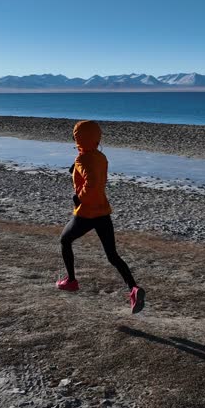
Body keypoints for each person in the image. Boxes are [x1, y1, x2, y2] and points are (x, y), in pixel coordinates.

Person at [57, 120, 145, 314]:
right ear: (97, 138)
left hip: (87, 213)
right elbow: (95, 173)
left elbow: (93, 182)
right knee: (112, 256)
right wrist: (75, 169)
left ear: (77, 137)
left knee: (65, 240)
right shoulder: (100, 157)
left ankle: (71, 281)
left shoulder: (83, 160)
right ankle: (134, 289)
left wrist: (78, 197)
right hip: (103, 212)